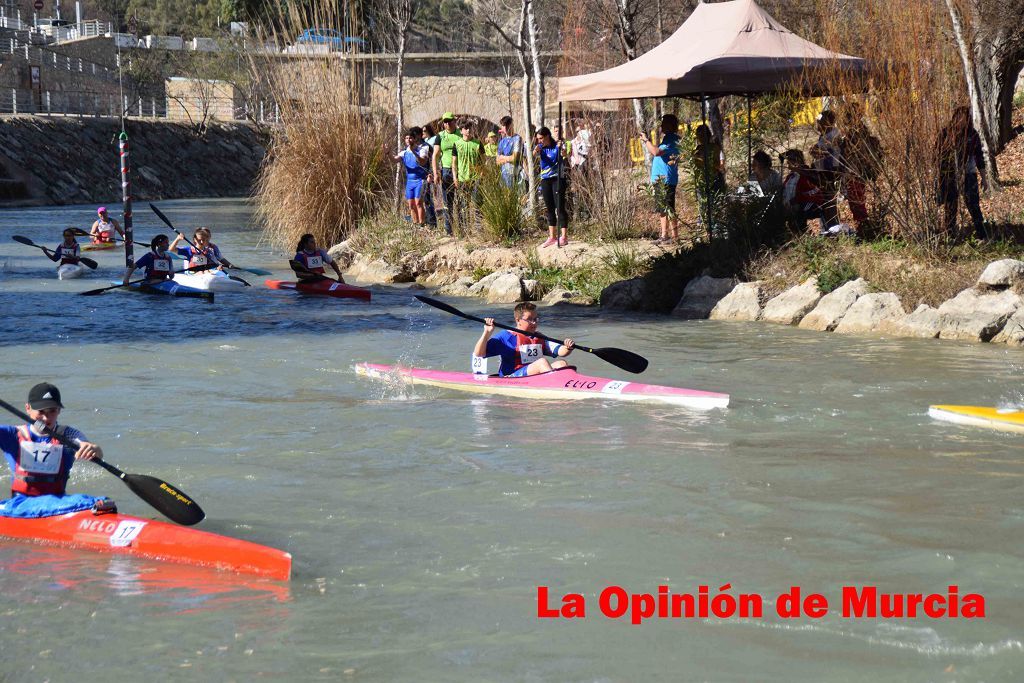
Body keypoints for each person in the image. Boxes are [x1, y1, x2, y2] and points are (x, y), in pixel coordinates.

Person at [0, 383, 102, 498]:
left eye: (52, 411)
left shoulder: (68, 435)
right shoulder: (12, 435)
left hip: (57, 504)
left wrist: (94, 449)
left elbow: (95, 452)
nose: (46, 418)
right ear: (28, 408)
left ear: (59, 410)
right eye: (41, 412)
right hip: (20, 505)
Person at [473, 302, 575, 377]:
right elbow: (479, 353)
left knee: (562, 364)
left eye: (535, 319)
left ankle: (569, 387)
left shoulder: (539, 337)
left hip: (533, 373)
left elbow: (561, 351)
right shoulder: (506, 337)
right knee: (542, 362)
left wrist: (568, 347)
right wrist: (487, 333)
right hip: (511, 377)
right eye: (530, 319)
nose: (534, 323)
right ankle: (555, 389)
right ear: (518, 320)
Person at [937, 105, 987, 240]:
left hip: (968, 173)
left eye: (964, 117)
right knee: (950, 204)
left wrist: (984, 178)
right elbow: (937, 156)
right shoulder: (945, 133)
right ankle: (950, 235)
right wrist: (940, 177)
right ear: (954, 117)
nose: (961, 120)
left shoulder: (972, 134)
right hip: (949, 174)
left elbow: (979, 157)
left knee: (973, 203)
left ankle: (982, 234)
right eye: (958, 117)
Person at [641, 114, 681, 244]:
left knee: (668, 207)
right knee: (663, 207)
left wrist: (646, 141)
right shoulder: (669, 139)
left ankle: (674, 236)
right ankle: (665, 235)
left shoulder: (671, 140)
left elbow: (656, 152)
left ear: (670, 125)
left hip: (665, 179)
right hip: (663, 179)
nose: (661, 125)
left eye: (664, 123)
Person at [535, 126, 569, 248]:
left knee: (559, 207)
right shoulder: (540, 147)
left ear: (547, 136)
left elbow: (565, 154)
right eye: (538, 138)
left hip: (558, 179)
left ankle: (564, 236)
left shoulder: (557, 145)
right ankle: (552, 237)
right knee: (549, 208)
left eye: (541, 138)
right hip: (545, 179)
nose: (539, 140)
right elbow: (534, 153)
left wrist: (562, 149)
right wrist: (537, 150)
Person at [781, 149, 829, 234]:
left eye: (791, 160)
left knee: (800, 211)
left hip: (812, 202)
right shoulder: (790, 176)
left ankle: (802, 233)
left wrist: (796, 200)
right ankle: (796, 233)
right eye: (788, 160)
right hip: (795, 203)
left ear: (798, 160)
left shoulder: (806, 172)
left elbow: (813, 190)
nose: (788, 162)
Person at [393, 127, 430, 227]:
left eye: (410, 138)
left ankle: (422, 224)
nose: (408, 140)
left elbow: (422, 162)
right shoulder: (404, 152)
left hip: (420, 180)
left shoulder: (421, 149)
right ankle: (415, 223)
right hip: (410, 182)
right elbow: (394, 160)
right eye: (406, 138)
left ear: (414, 139)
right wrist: (387, 153)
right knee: (411, 205)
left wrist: (414, 152)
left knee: (418, 203)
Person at [431, 112, 460, 235]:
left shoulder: (461, 134)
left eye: (449, 121)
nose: (447, 123)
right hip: (446, 171)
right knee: (447, 202)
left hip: (461, 172)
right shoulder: (440, 136)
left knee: (460, 201)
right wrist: (436, 173)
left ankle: (462, 229)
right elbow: (435, 155)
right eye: (445, 121)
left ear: (454, 121)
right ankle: (449, 230)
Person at [169, 227, 234, 271]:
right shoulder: (189, 250)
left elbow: (215, 262)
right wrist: (177, 239)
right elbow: (171, 249)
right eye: (200, 240)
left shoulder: (209, 251)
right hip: (194, 273)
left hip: (206, 272)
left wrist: (218, 268)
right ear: (195, 239)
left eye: (204, 239)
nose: (202, 242)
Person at [454, 119, 484, 195]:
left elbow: (483, 160)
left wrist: (481, 175)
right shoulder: (456, 144)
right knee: (463, 204)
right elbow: (454, 163)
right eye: (466, 128)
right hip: (462, 178)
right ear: (461, 131)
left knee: (476, 203)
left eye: (470, 128)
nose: (468, 130)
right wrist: (455, 178)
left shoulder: (478, 143)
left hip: (476, 178)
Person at [495, 115, 523, 189]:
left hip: (515, 174)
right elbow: (497, 161)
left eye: (507, 125)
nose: (506, 127)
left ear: (512, 125)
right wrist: (507, 158)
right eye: (503, 125)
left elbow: (515, 158)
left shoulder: (517, 139)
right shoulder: (502, 141)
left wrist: (502, 157)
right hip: (504, 175)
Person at [421, 124, 439, 227]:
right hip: (425, 171)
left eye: (424, 131)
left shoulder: (432, 140)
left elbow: (434, 156)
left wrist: (433, 172)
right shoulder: (425, 142)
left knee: (430, 197)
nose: (422, 133)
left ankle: (432, 221)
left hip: (431, 171)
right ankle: (428, 219)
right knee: (426, 197)